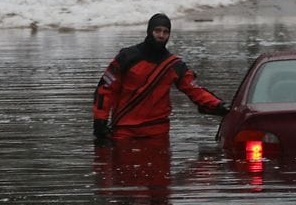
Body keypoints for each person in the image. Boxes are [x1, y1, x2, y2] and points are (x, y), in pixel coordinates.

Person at [93, 13, 228, 141]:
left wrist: (218, 105)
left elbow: (194, 90)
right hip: (125, 131)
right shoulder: (126, 57)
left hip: (157, 132)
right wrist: (100, 120)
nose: (161, 35)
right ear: (149, 31)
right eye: (157, 31)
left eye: (165, 32)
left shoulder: (174, 65)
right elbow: (105, 89)